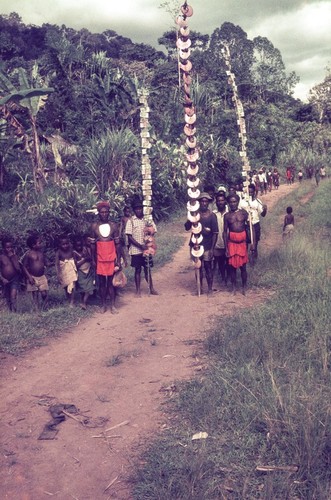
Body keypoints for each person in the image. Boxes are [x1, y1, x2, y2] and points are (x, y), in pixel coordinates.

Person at [185, 192, 218, 294]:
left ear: (208, 203)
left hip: (207, 246)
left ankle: (209, 288)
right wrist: (191, 219)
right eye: (202, 201)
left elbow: (215, 233)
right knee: (197, 267)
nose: (204, 203)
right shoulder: (195, 214)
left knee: (208, 267)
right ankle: (200, 288)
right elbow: (186, 227)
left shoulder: (212, 216)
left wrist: (212, 248)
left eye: (206, 201)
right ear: (199, 202)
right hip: (195, 245)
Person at [91, 201, 120, 313]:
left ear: (109, 213)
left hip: (111, 257)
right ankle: (103, 305)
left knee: (111, 283)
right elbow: (92, 245)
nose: (104, 214)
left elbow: (118, 244)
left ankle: (112, 305)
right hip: (100, 258)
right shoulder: (94, 226)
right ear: (98, 213)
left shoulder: (114, 225)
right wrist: (93, 260)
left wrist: (118, 259)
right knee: (102, 283)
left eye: (106, 212)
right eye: (102, 212)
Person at [126, 199, 158, 296]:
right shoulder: (131, 221)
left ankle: (151, 288)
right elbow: (129, 237)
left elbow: (154, 231)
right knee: (138, 269)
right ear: (134, 210)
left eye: (140, 208)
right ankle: (138, 290)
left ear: (143, 209)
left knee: (147, 268)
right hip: (136, 250)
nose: (139, 210)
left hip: (147, 248)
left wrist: (149, 232)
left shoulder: (148, 219)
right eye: (137, 209)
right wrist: (140, 246)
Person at [223, 194, 249, 295]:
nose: (233, 204)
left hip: (242, 244)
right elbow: (225, 232)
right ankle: (233, 287)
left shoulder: (244, 213)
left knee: (243, 267)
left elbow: (249, 227)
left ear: (238, 202)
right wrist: (226, 247)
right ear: (228, 203)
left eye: (234, 202)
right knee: (232, 268)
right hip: (232, 244)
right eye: (231, 202)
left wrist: (251, 243)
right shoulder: (227, 216)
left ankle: (244, 287)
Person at [22, 234, 49, 311]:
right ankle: (37, 309)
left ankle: (45, 306)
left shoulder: (41, 253)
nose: (41, 244)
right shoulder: (28, 254)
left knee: (44, 293)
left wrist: (54, 263)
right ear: (33, 245)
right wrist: (29, 277)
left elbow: (46, 263)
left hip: (42, 276)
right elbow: (24, 266)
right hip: (32, 277)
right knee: (35, 293)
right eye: (39, 243)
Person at [243, 183, 267, 264]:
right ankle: (245, 260)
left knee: (255, 242)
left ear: (254, 192)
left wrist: (265, 209)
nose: (250, 194)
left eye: (251, 192)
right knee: (245, 242)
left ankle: (254, 259)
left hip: (255, 223)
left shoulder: (257, 201)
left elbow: (263, 214)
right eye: (248, 192)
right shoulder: (242, 202)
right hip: (245, 225)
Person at [73, 235, 95, 310]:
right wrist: (84, 260)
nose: (79, 247)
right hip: (80, 272)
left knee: (88, 288)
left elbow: (90, 258)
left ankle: (84, 303)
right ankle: (83, 300)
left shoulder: (86, 249)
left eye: (80, 245)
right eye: (77, 246)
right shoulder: (74, 253)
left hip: (88, 271)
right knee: (82, 288)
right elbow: (76, 265)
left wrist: (88, 259)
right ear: (74, 246)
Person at [55, 234, 78, 307]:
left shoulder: (71, 250)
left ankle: (72, 301)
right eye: (63, 244)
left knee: (72, 285)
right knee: (65, 286)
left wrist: (76, 268)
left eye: (66, 243)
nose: (65, 245)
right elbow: (57, 263)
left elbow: (75, 259)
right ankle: (68, 298)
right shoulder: (58, 252)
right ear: (60, 245)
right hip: (63, 271)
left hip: (71, 270)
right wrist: (58, 274)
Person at [0, 237, 22, 312]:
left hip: (14, 278)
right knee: (7, 296)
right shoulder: (1, 257)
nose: (9, 249)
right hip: (4, 280)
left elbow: (18, 268)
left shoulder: (14, 256)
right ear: (3, 248)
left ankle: (14, 311)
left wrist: (12, 257)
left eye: (11, 247)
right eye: (7, 247)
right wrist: (2, 279)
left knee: (13, 295)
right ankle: (10, 311)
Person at [213, 193, 228, 286]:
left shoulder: (229, 213)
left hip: (228, 242)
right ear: (216, 202)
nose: (220, 202)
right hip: (218, 243)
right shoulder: (213, 214)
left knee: (229, 263)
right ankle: (223, 278)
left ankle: (229, 277)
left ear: (225, 201)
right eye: (218, 201)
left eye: (222, 200)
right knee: (220, 262)